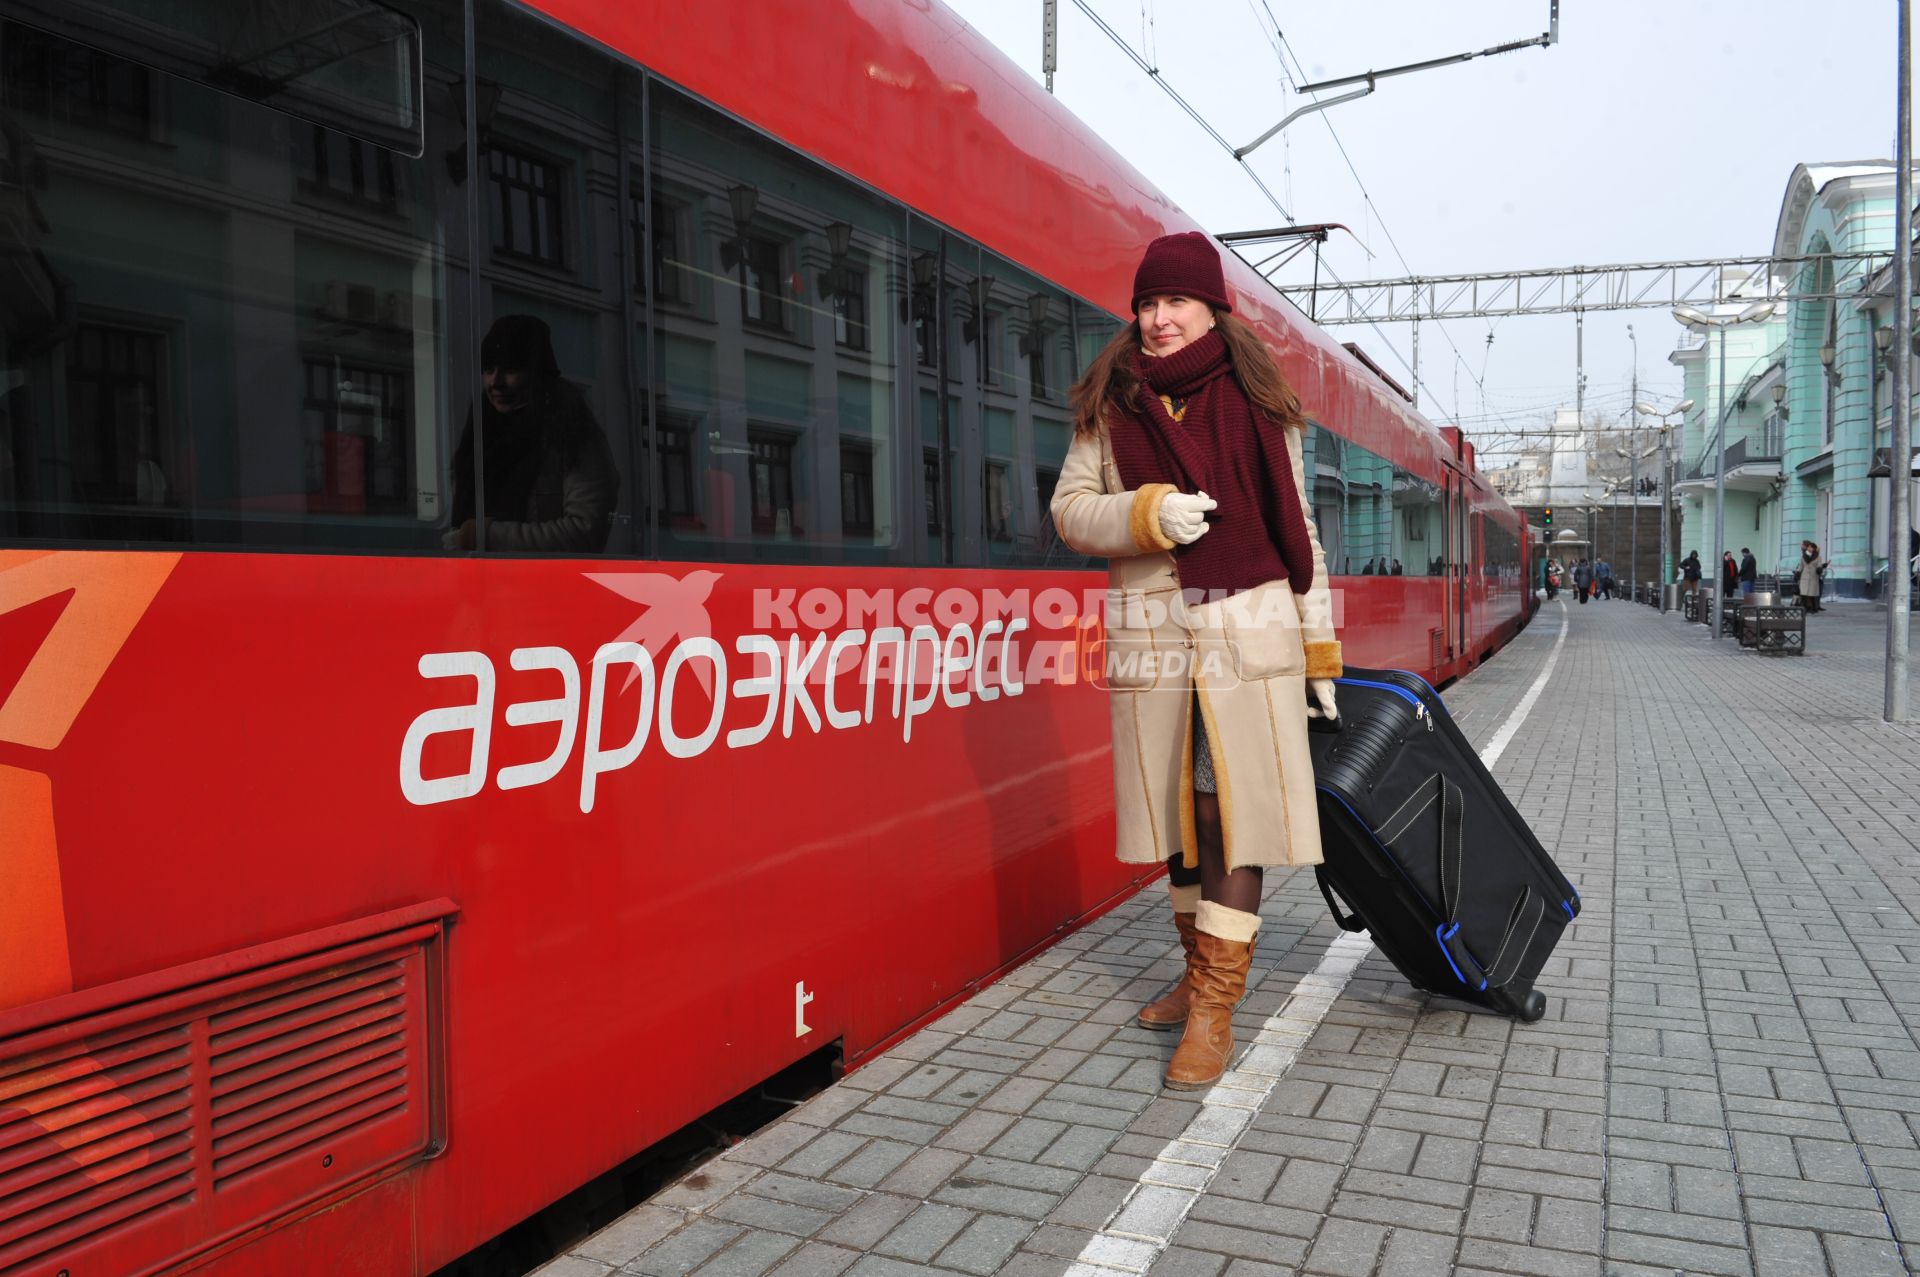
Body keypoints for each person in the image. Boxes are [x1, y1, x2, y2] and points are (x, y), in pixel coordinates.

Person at [1052, 232, 1340, 1091]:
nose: (1158, 318)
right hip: (1154, 645)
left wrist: (1321, 653)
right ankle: (1193, 973)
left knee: (1227, 815)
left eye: (1175, 301)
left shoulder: (1260, 403)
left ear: (1211, 308)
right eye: (1146, 303)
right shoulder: (1110, 405)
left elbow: (1302, 537)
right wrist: (1147, 512)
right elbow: (1070, 511)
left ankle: (1216, 1006)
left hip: (1247, 640)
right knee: (1178, 820)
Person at [446, 314, 620, 552]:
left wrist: (482, 536)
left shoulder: (571, 430)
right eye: (488, 369)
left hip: (543, 584)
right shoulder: (480, 429)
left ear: (537, 373)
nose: (495, 382)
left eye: (511, 369)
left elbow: (586, 530)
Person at [1797, 539, 1829, 613]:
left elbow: (1819, 565)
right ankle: (1805, 608)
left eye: (1811, 547)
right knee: (1804, 594)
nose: (1809, 548)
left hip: (1813, 577)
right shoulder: (1803, 557)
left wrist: (1819, 569)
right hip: (1804, 577)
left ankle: (1813, 608)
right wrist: (1798, 573)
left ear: (1814, 549)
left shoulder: (1818, 557)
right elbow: (1800, 566)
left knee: (1812, 594)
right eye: (1808, 547)